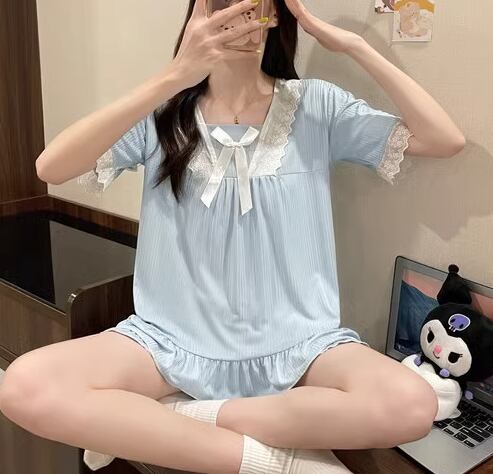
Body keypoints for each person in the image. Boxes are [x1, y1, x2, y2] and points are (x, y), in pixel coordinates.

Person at [0, 0, 466, 473]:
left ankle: (173, 420)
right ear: (198, 12)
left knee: (412, 404)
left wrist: (352, 45)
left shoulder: (316, 106)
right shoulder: (163, 113)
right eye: (224, 4)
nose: (239, 18)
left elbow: (443, 139)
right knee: (24, 386)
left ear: (276, 14)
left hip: (300, 346)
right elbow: (50, 167)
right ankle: (267, 460)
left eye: (253, 5)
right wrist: (173, 77)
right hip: (169, 344)